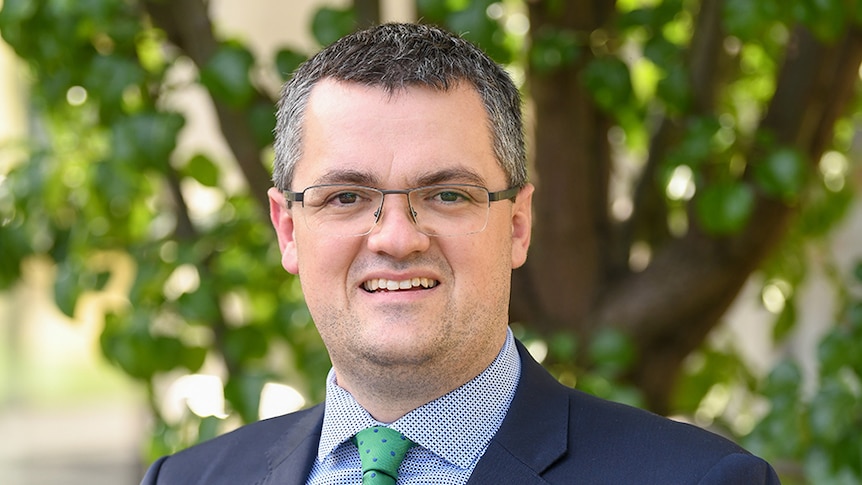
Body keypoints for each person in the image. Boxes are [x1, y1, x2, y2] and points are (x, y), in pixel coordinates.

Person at [141, 22, 780, 484]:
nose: (395, 237)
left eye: (447, 194)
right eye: (345, 197)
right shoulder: (187, 480)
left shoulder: (695, 481)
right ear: (287, 229)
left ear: (519, 224)